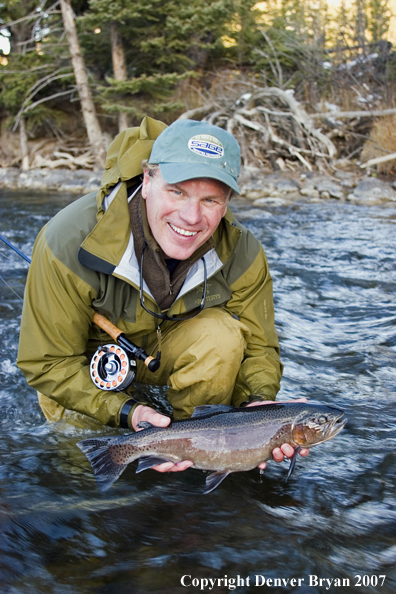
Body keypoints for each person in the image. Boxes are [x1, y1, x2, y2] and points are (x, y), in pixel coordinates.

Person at [17, 116, 308, 474]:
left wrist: (261, 411)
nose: (190, 216)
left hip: (167, 354)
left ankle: (198, 456)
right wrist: (128, 412)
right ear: (148, 177)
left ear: (228, 201)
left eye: (211, 199)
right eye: (178, 191)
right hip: (84, 370)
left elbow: (260, 348)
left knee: (222, 337)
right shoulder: (66, 240)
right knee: (85, 475)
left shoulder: (243, 253)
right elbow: (46, 363)